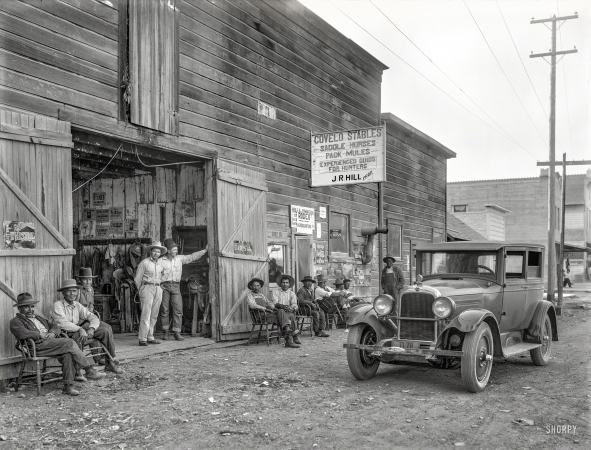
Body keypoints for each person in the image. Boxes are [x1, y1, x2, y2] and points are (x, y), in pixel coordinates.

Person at [10, 292, 105, 396]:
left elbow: (55, 326)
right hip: (37, 347)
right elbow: (21, 333)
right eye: (26, 307)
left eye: (31, 306)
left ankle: (68, 386)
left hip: (50, 343)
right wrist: (39, 334)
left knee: (68, 354)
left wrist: (53, 332)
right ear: (19, 308)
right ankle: (89, 370)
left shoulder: (38, 318)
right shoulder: (16, 321)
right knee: (69, 342)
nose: (30, 309)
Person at [53, 279, 123, 375]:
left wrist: (92, 328)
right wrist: (80, 329)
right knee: (79, 336)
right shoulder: (58, 305)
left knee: (105, 328)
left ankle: (110, 361)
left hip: (78, 331)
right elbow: (62, 323)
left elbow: (92, 316)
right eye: (69, 291)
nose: (72, 293)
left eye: (74, 291)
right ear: (63, 293)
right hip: (64, 334)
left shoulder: (77, 305)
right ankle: (78, 370)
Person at [160, 238, 208, 341]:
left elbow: (192, 257)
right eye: (174, 249)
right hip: (164, 286)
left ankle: (177, 332)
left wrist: (205, 250)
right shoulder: (161, 261)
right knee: (164, 309)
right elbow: (156, 273)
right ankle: (166, 332)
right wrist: (159, 285)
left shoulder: (179, 259)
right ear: (168, 250)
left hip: (176, 286)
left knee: (178, 309)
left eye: (176, 249)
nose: (176, 251)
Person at [247, 277, 300, 348]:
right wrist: (265, 308)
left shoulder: (261, 295)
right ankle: (289, 339)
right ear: (251, 286)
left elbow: (269, 303)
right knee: (284, 319)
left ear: (260, 286)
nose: (256, 287)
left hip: (268, 314)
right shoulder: (250, 295)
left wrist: (272, 306)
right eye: (254, 286)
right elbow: (252, 305)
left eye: (258, 285)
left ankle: (287, 330)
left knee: (283, 312)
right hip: (261, 316)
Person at [134, 241, 167, 346]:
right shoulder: (144, 263)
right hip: (147, 288)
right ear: (150, 252)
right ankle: (142, 338)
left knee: (154, 315)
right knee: (146, 314)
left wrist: (161, 286)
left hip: (157, 289)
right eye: (154, 251)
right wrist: (141, 290)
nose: (156, 253)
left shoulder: (161, 264)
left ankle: (150, 336)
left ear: (160, 253)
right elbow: (137, 279)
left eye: (158, 252)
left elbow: (162, 276)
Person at [271, 274, 302, 345]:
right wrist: (283, 306)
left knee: (291, 314)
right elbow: (275, 302)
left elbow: (294, 304)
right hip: (277, 311)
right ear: (280, 283)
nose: (285, 284)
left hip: (287, 312)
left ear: (289, 284)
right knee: (281, 311)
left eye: (287, 283)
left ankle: (290, 332)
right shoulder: (275, 291)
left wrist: (292, 308)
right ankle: (294, 334)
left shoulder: (292, 293)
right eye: (283, 282)